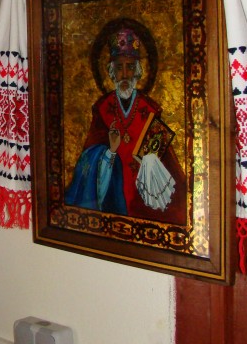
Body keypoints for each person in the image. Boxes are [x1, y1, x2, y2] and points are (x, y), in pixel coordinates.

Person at [65, 26, 186, 224]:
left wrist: (152, 159)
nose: (124, 74)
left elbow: (169, 165)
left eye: (130, 67)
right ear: (111, 72)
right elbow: (87, 160)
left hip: (144, 204)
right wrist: (109, 152)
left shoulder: (150, 109)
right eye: (119, 67)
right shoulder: (102, 109)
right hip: (112, 199)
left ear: (137, 71)